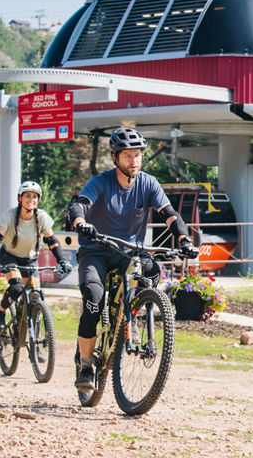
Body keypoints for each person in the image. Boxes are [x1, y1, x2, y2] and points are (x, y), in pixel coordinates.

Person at [66, 127, 199, 392]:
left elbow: (170, 213)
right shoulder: (101, 182)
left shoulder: (148, 183)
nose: (134, 161)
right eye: (128, 156)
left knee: (150, 271)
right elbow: (79, 205)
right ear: (115, 158)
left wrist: (184, 240)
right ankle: (85, 363)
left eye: (137, 155)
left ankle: (131, 318)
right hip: (97, 249)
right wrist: (81, 223)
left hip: (129, 251)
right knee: (93, 299)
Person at [0, 181, 71, 328]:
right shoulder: (9, 215)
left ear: (38, 200)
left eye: (34, 196)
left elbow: (52, 241)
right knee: (17, 288)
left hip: (30, 259)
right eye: (27, 196)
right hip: (10, 256)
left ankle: (34, 341)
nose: (31, 199)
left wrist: (62, 261)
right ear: (20, 198)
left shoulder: (42, 217)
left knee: (35, 295)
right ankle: (0, 312)